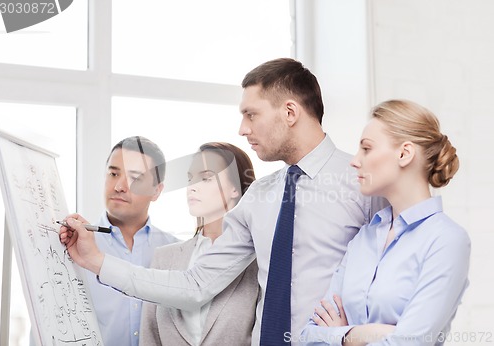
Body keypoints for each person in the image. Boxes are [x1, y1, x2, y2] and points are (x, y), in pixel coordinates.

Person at [59, 58, 387, 345]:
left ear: (290, 112)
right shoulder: (259, 197)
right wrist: (97, 261)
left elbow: (401, 284)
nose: (242, 129)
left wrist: (362, 335)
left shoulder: (364, 182)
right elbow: (196, 283)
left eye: (251, 114)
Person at [300, 99, 470, 345]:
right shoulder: (364, 237)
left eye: (366, 149)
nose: (355, 160)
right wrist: (368, 333)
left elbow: (410, 342)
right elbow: (308, 336)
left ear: (404, 153)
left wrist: (342, 335)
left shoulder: (447, 240)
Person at [139, 142, 259, 346]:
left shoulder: (259, 261)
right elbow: (149, 336)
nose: (191, 187)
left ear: (235, 188)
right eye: (190, 178)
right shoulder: (164, 257)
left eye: (205, 178)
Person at [85, 136, 179, 346]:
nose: (119, 186)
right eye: (113, 173)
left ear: (157, 191)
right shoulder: (75, 246)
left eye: (135, 178)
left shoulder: (176, 252)